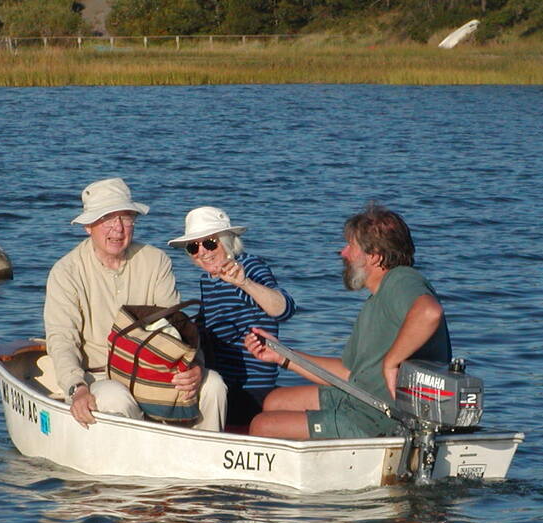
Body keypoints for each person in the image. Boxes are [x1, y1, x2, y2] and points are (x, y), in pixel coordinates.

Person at [243, 203, 451, 439]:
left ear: (374, 256)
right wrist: (282, 355)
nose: (343, 253)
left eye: (351, 246)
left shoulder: (401, 280)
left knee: (263, 426)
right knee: (275, 401)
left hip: (379, 417)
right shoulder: (377, 299)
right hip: (359, 396)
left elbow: (429, 313)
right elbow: (348, 372)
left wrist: (391, 363)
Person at [44, 177, 227, 430]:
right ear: (88, 226)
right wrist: (77, 388)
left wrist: (194, 366)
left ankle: (209, 464)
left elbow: (176, 328)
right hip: (98, 375)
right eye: (107, 219)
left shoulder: (156, 260)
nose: (118, 229)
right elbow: (62, 339)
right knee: (115, 398)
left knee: (213, 384)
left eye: (126, 218)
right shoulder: (66, 271)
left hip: (155, 370)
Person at [167, 206, 296, 427]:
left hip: (250, 387)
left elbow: (283, 309)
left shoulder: (249, 266)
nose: (203, 252)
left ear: (226, 241)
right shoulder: (208, 279)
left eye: (209, 243)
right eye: (193, 247)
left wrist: (244, 283)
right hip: (220, 379)